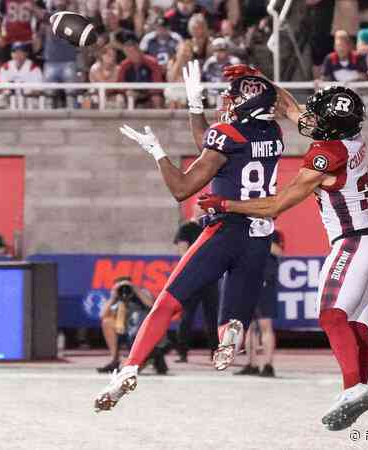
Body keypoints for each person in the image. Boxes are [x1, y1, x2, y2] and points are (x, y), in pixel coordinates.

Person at [198, 68, 368, 432]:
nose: (309, 117)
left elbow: (276, 205)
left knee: (331, 317)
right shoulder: (350, 137)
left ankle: (352, 389)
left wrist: (226, 205)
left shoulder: (326, 153)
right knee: (355, 327)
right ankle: (357, 387)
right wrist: (261, 81)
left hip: (350, 242)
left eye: (319, 115)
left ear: (332, 125)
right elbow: (290, 107)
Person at [94, 64, 289, 412]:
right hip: (259, 236)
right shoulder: (272, 132)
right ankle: (231, 330)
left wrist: (157, 152)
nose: (227, 101)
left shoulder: (228, 135)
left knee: (166, 305)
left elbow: (182, 188)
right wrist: (195, 106)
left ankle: (129, 368)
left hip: (225, 229)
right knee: (233, 315)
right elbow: (212, 147)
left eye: (233, 97)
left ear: (245, 105)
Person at [172, 205, 219, 363]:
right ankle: (182, 352)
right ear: (195, 209)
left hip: (211, 278)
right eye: (201, 207)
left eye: (206, 208)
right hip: (192, 277)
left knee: (212, 317)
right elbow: (183, 252)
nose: (204, 210)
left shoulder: (212, 226)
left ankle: (215, 352)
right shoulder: (186, 229)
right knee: (187, 316)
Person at [235, 229, 283, 377]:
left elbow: (277, 251)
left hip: (264, 282)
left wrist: (258, 238)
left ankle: (268, 365)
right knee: (248, 327)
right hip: (246, 282)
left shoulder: (273, 233)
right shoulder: (244, 232)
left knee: (265, 325)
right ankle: (252, 363)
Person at [97, 276, 168, 375]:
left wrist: (135, 289)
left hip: (147, 335)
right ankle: (115, 361)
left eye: (126, 286)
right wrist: (113, 297)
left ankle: (154, 357)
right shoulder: (117, 297)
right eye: (120, 287)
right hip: (130, 333)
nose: (124, 289)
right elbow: (102, 315)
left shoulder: (142, 293)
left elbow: (151, 305)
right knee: (107, 322)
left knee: (133, 370)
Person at [117, 36, 163, 108]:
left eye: (132, 51)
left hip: (149, 94)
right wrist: (126, 91)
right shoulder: (124, 65)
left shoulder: (152, 62)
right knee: (119, 98)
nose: (131, 55)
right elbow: (120, 84)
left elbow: (157, 85)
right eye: (128, 53)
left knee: (156, 98)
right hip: (131, 94)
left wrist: (143, 94)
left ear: (139, 50)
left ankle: (160, 119)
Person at [0, 41, 43, 107]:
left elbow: (38, 90)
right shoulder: (5, 67)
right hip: (10, 98)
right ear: (11, 54)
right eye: (15, 52)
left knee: (36, 102)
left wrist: (26, 93)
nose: (18, 55)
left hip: (28, 98)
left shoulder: (33, 68)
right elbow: (2, 87)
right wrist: (8, 92)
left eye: (21, 52)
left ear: (26, 53)